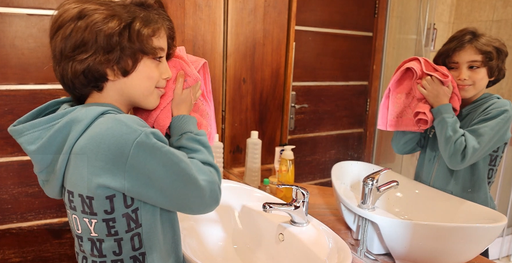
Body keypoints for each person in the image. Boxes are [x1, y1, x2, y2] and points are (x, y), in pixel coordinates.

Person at [7, 0, 222, 262]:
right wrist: (184, 122)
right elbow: (205, 193)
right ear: (109, 63)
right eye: (157, 57)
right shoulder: (123, 136)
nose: (167, 72)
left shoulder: (71, 128)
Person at [391, 27, 511, 258]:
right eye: (452, 67)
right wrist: (415, 103)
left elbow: (459, 156)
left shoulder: (498, 110)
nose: (461, 75)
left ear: (492, 72)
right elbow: (402, 147)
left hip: (469, 223)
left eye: (473, 66)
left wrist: (441, 108)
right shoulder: (442, 105)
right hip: (427, 212)